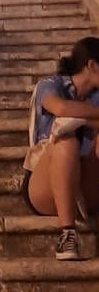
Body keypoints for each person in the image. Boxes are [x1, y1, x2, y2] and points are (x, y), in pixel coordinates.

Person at [21, 36, 99, 261]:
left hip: (87, 179)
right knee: (66, 140)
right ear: (92, 65)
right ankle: (67, 234)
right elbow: (60, 108)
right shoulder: (51, 84)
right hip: (46, 185)